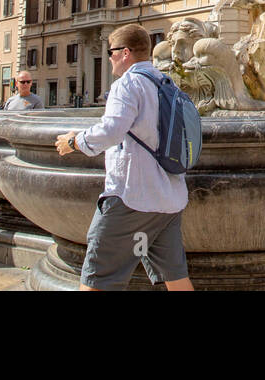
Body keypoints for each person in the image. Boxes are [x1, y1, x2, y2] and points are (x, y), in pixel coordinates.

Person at [55, 24, 193, 291]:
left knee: (97, 278)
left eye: (111, 52)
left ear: (125, 52)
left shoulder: (127, 84)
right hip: (168, 199)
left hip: (132, 197)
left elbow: (112, 130)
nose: (109, 58)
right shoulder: (168, 84)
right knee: (175, 279)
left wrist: (74, 141)